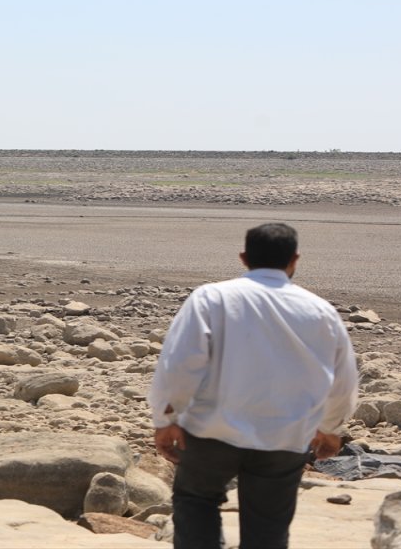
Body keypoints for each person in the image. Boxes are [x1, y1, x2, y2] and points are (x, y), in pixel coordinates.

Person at [148, 223, 358, 549]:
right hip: (284, 437)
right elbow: (342, 381)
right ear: (294, 259)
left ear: (244, 258)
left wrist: (166, 419)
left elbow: (179, 364)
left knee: (196, 502)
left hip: (211, 431)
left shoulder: (211, 297)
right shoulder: (321, 312)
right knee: (268, 526)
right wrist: (330, 428)